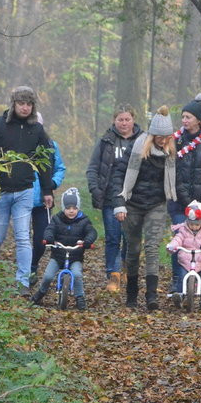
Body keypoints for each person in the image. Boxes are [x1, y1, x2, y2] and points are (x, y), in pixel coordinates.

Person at [0, 86, 54, 297]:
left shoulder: (37, 130)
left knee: (22, 237)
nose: (25, 107)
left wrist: (47, 190)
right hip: (0, 192)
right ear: (13, 104)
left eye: (29, 104)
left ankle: (22, 283)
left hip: (25, 191)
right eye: (21, 103)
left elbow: (45, 161)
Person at [111, 106, 176, 311]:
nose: (163, 140)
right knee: (133, 249)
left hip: (157, 204)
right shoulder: (137, 147)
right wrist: (119, 203)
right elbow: (119, 175)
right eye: (159, 136)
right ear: (152, 134)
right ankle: (131, 293)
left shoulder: (172, 152)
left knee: (152, 248)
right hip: (133, 204)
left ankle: (151, 296)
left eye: (166, 136)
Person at [86, 106, 143, 292]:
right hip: (111, 197)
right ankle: (113, 274)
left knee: (130, 238)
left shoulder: (142, 141)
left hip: (134, 199)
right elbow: (93, 167)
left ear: (133, 120)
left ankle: (126, 269)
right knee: (112, 237)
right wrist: (96, 189)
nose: (124, 123)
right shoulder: (107, 140)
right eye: (120, 120)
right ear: (114, 121)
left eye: (127, 119)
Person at [168, 93, 201, 305]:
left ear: (198, 119)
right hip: (180, 201)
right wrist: (186, 202)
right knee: (181, 240)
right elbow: (173, 172)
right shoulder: (176, 140)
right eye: (183, 117)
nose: (184, 121)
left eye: (188, 117)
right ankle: (178, 285)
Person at [30, 188, 98, 311]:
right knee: (48, 276)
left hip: (75, 257)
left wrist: (87, 241)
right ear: (63, 208)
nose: (71, 211)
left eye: (74, 208)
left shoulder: (84, 221)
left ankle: (80, 297)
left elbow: (91, 232)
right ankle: (41, 292)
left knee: (77, 275)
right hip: (58, 256)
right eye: (68, 208)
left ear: (78, 208)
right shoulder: (57, 219)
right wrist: (49, 238)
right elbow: (49, 229)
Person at [29, 112, 66, 287]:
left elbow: (60, 168)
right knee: (22, 239)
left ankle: (33, 266)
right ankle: (24, 274)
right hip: (21, 198)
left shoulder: (51, 146)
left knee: (42, 239)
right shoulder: (19, 145)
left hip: (44, 200)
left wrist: (52, 183)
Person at [166, 200, 201, 310]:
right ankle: (180, 294)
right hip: (185, 260)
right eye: (191, 224)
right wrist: (173, 245)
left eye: (196, 225)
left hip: (200, 262)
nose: (193, 227)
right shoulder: (183, 230)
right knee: (181, 277)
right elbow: (178, 238)